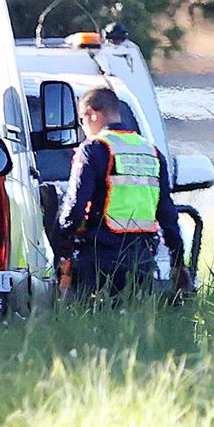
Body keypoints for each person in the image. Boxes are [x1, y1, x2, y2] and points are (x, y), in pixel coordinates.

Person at [52, 87, 190, 299]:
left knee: (91, 322)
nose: (83, 127)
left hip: (99, 258)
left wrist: (62, 249)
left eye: (81, 119)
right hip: (142, 260)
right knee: (133, 324)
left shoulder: (94, 148)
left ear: (92, 113)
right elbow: (167, 213)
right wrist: (178, 263)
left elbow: (75, 206)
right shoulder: (150, 151)